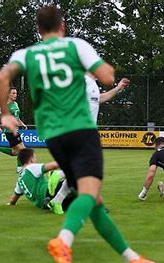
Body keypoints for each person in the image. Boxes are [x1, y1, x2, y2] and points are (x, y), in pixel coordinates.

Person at [0, 5, 155, 263]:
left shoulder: (26, 54)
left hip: (53, 135)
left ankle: (132, 258)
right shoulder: (75, 47)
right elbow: (106, 76)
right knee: (89, 194)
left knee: (93, 199)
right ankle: (64, 241)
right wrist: (104, 70)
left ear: (38, 29)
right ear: (63, 26)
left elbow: (2, 78)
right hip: (81, 129)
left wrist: (5, 113)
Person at [46, 75, 130, 214]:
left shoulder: (92, 85)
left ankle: (57, 198)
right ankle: (59, 176)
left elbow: (100, 99)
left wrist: (118, 88)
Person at [0, 87, 28, 173]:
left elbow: (16, 117)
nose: (15, 95)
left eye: (16, 93)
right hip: (10, 132)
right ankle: (19, 169)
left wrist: (22, 124)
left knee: (14, 152)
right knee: (23, 150)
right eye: (13, 93)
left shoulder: (15, 104)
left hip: (15, 131)